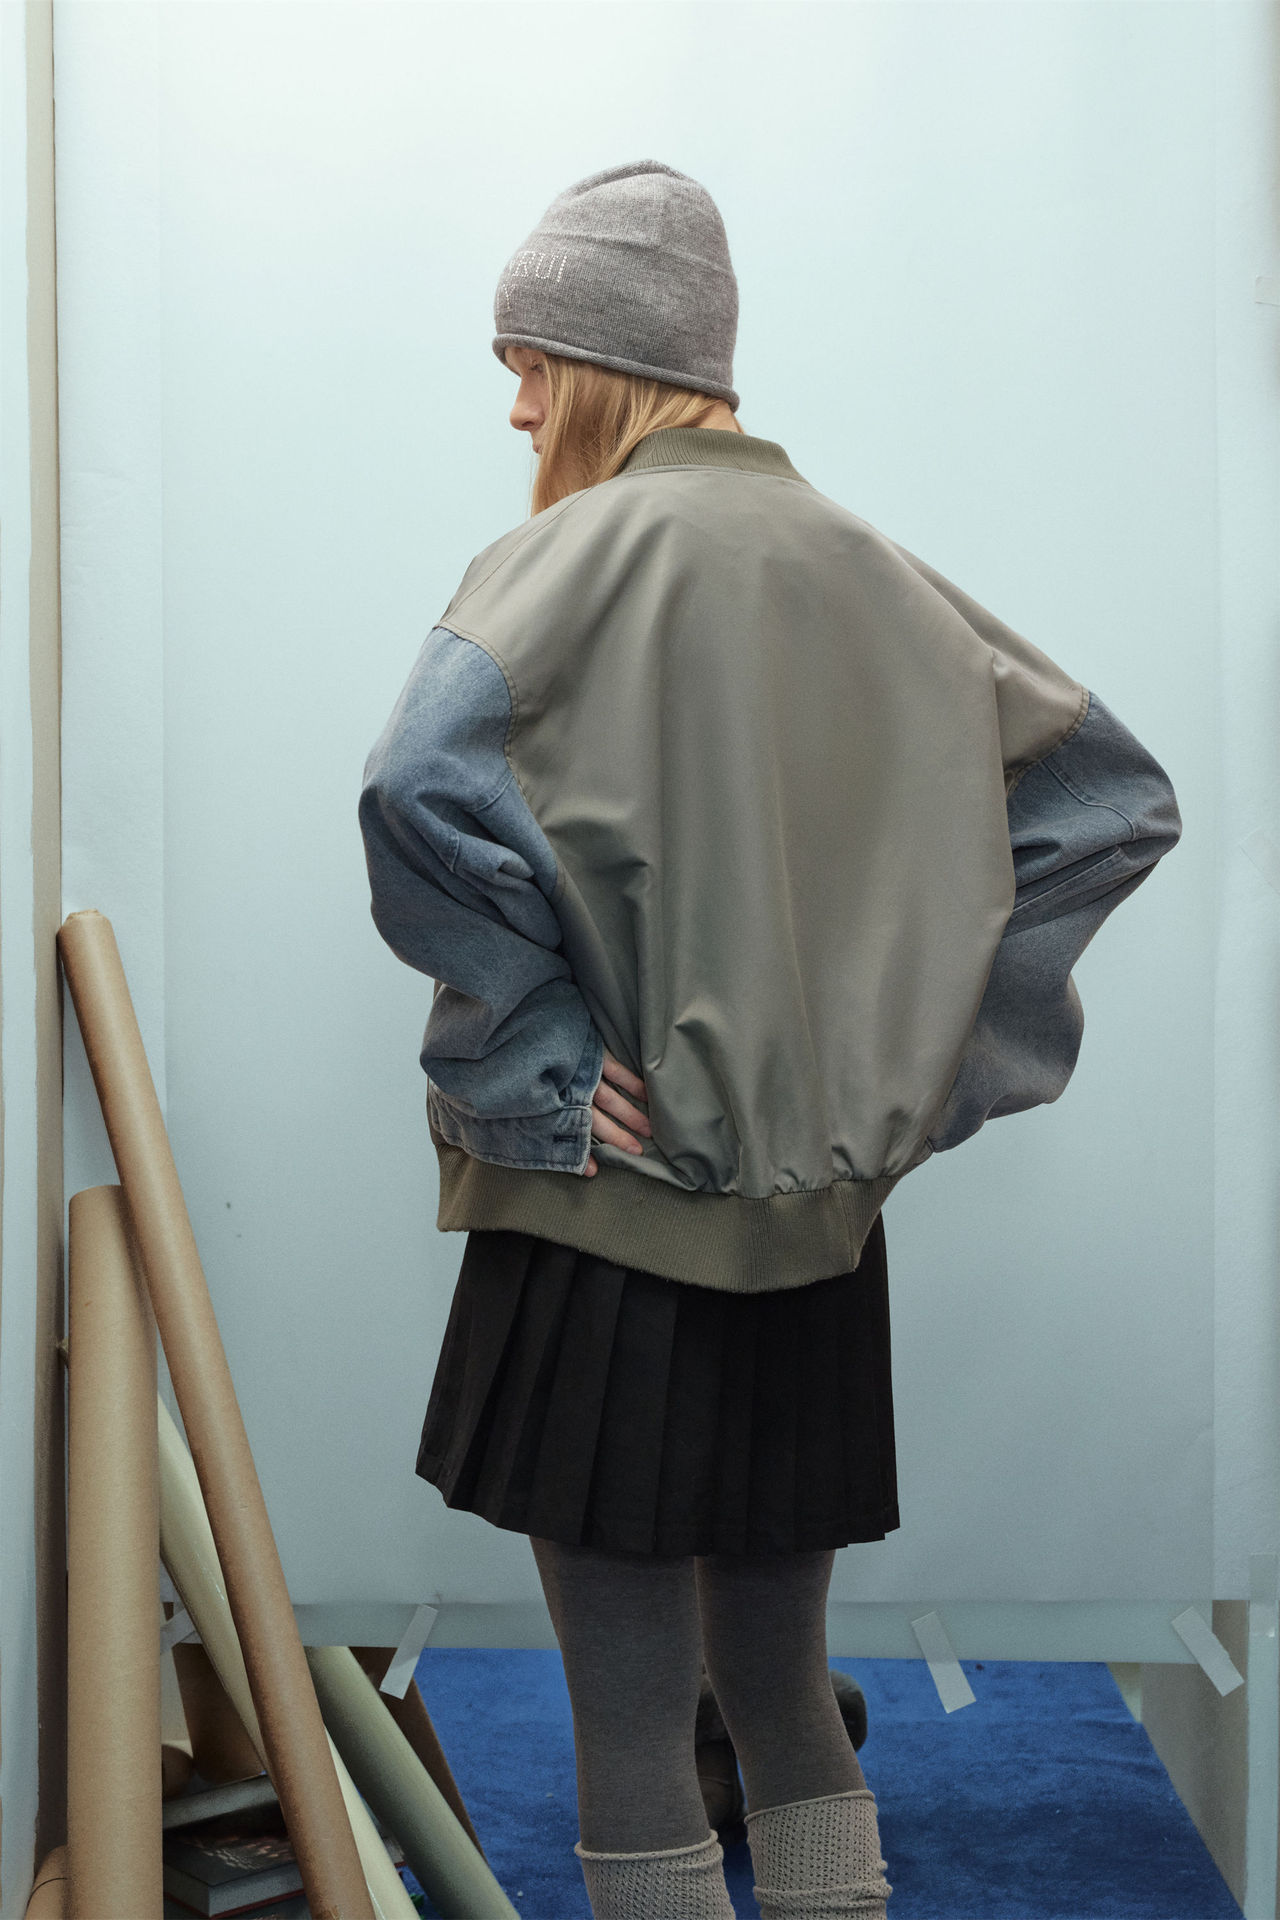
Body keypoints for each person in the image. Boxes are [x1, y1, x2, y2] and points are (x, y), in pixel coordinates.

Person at [359, 159, 1183, 1920]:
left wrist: (537, 1069)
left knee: (630, 1727)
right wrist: (912, 1075)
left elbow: (412, 787)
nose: (515, 407)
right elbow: (1107, 807)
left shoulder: (552, 565)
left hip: (604, 1233)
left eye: (529, 363)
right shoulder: (880, 574)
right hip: (816, 1248)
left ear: (609, 363)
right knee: (789, 1695)